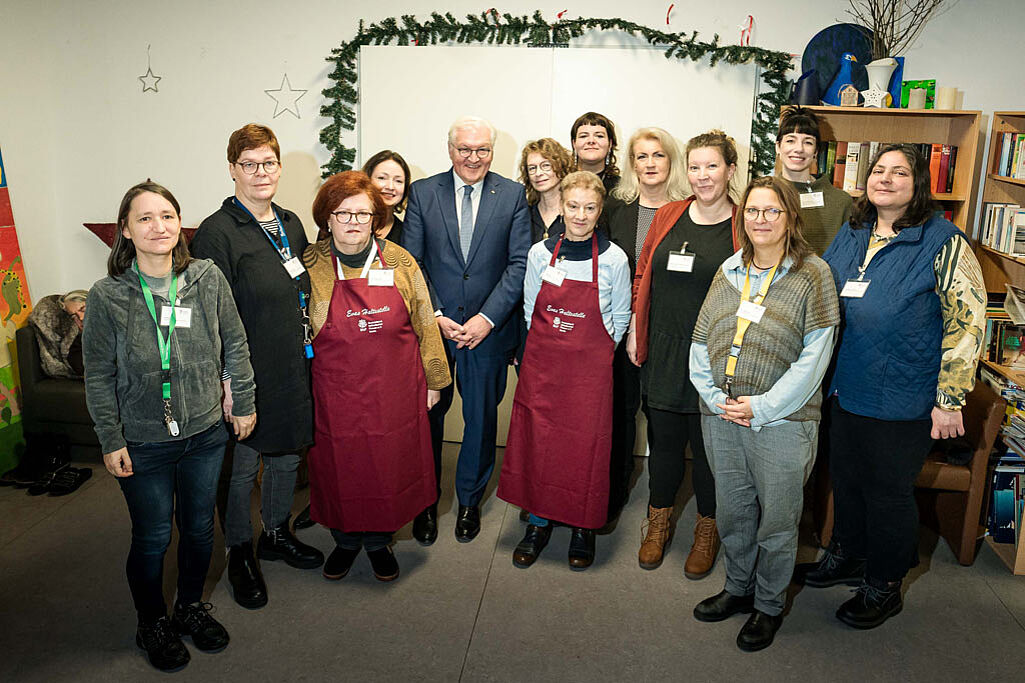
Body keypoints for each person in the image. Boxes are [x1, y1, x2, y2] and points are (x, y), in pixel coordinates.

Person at [798, 144, 986, 629]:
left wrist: (950, 399)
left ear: (918, 183)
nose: (884, 178)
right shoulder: (854, 229)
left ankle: (884, 583)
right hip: (845, 384)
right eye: (878, 170)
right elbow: (823, 284)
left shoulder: (943, 241)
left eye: (898, 172)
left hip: (903, 393)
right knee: (847, 479)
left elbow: (967, 322)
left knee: (888, 492)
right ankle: (849, 554)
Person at [83, 181, 256, 672]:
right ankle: (152, 621)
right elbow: (98, 375)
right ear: (125, 230)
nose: (158, 227)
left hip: (205, 434)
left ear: (180, 224)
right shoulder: (108, 295)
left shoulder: (206, 277)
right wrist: (110, 437)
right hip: (142, 440)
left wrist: (242, 400)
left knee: (200, 529)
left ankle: (189, 608)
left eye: (167, 216)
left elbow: (235, 342)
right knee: (154, 536)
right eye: (144, 218)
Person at [689, 176, 839, 652]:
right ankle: (738, 587)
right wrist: (713, 397)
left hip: (782, 423)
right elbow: (700, 339)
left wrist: (763, 406)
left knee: (777, 522)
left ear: (791, 217)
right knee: (733, 512)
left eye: (772, 211)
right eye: (753, 211)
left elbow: (815, 357)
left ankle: (769, 605)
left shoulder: (813, 274)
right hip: (721, 415)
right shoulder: (729, 269)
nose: (761, 220)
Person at [190, 123, 323, 611]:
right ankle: (240, 550)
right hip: (245, 369)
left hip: (291, 363)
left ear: (279, 167)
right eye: (249, 164)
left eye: (268, 162)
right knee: (243, 465)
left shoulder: (290, 222)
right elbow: (211, 316)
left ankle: (276, 533)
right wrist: (229, 382)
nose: (260, 172)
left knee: (286, 455)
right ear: (233, 170)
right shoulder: (217, 232)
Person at [302, 171, 451, 581]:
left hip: (394, 389)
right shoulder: (309, 264)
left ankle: (379, 542)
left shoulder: (401, 262)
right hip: (334, 391)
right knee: (341, 466)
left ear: (375, 218)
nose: (353, 221)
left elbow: (425, 321)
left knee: (389, 465)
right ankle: (345, 540)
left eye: (362, 214)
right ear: (327, 217)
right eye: (343, 213)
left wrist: (435, 380)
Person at [402, 115, 531, 544]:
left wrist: (486, 318)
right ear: (450, 149)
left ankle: (469, 502)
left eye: (482, 150)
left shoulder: (512, 194)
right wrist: (435, 314)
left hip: (487, 332)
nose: (473, 158)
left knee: (480, 420)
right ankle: (425, 502)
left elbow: (519, 263)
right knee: (428, 417)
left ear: (492, 152)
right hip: (434, 330)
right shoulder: (423, 192)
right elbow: (412, 264)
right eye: (465, 149)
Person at [498, 171, 631, 569]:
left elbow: (620, 316)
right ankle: (537, 523)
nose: (580, 215)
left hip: (589, 374)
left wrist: (598, 351)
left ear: (599, 210)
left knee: (585, 448)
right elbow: (530, 308)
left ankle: (581, 527)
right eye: (573, 206)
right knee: (540, 443)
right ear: (562, 206)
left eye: (589, 208)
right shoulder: (541, 254)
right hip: (544, 367)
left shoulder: (614, 259)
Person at [627, 129, 740, 577]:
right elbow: (643, 273)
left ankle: (706, 530)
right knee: (665, 447)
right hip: (665, 350)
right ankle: (657, 524)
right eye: (695, 167)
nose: (702, 175)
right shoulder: (669, 214)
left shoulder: (743, 223)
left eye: (712, 166)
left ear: (730, 170)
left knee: (710, 452)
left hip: (716, 358)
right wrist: (636, 331)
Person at [601, 127, 691, 527]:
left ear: (671, 162)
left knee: (662, 421)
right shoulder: (615, 210)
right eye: (642, 156)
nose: (650, 164)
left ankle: (661, 504)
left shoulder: (688, 211)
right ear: (631, 164)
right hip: (621, 329)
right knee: (620, 415)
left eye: (658, 155)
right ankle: (614, 493)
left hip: (668, 333)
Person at [775, 106, 852, 255]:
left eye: (808, 142)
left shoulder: (841, 202)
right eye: (790, 140)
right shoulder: (763, 197)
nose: (799, 149)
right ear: (778, 147)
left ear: (816, 151)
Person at [519, 138, 573, 244]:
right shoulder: (524, 214)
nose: (538, 173)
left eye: (546, 165)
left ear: (561, 166)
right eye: (532, 168)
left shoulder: (575, 213)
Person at [362, 150, 412, 243]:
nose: (390, 187)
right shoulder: (350, 224)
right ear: (367, 180)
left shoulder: (407, 235)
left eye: (398, 181)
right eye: (382, 178)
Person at [571, 111, 621, 193]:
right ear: (574, 144)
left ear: (610, 144)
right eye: (583, 136)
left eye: (599, 136)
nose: (591, 141)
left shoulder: (622, 189)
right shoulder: (560, 184)